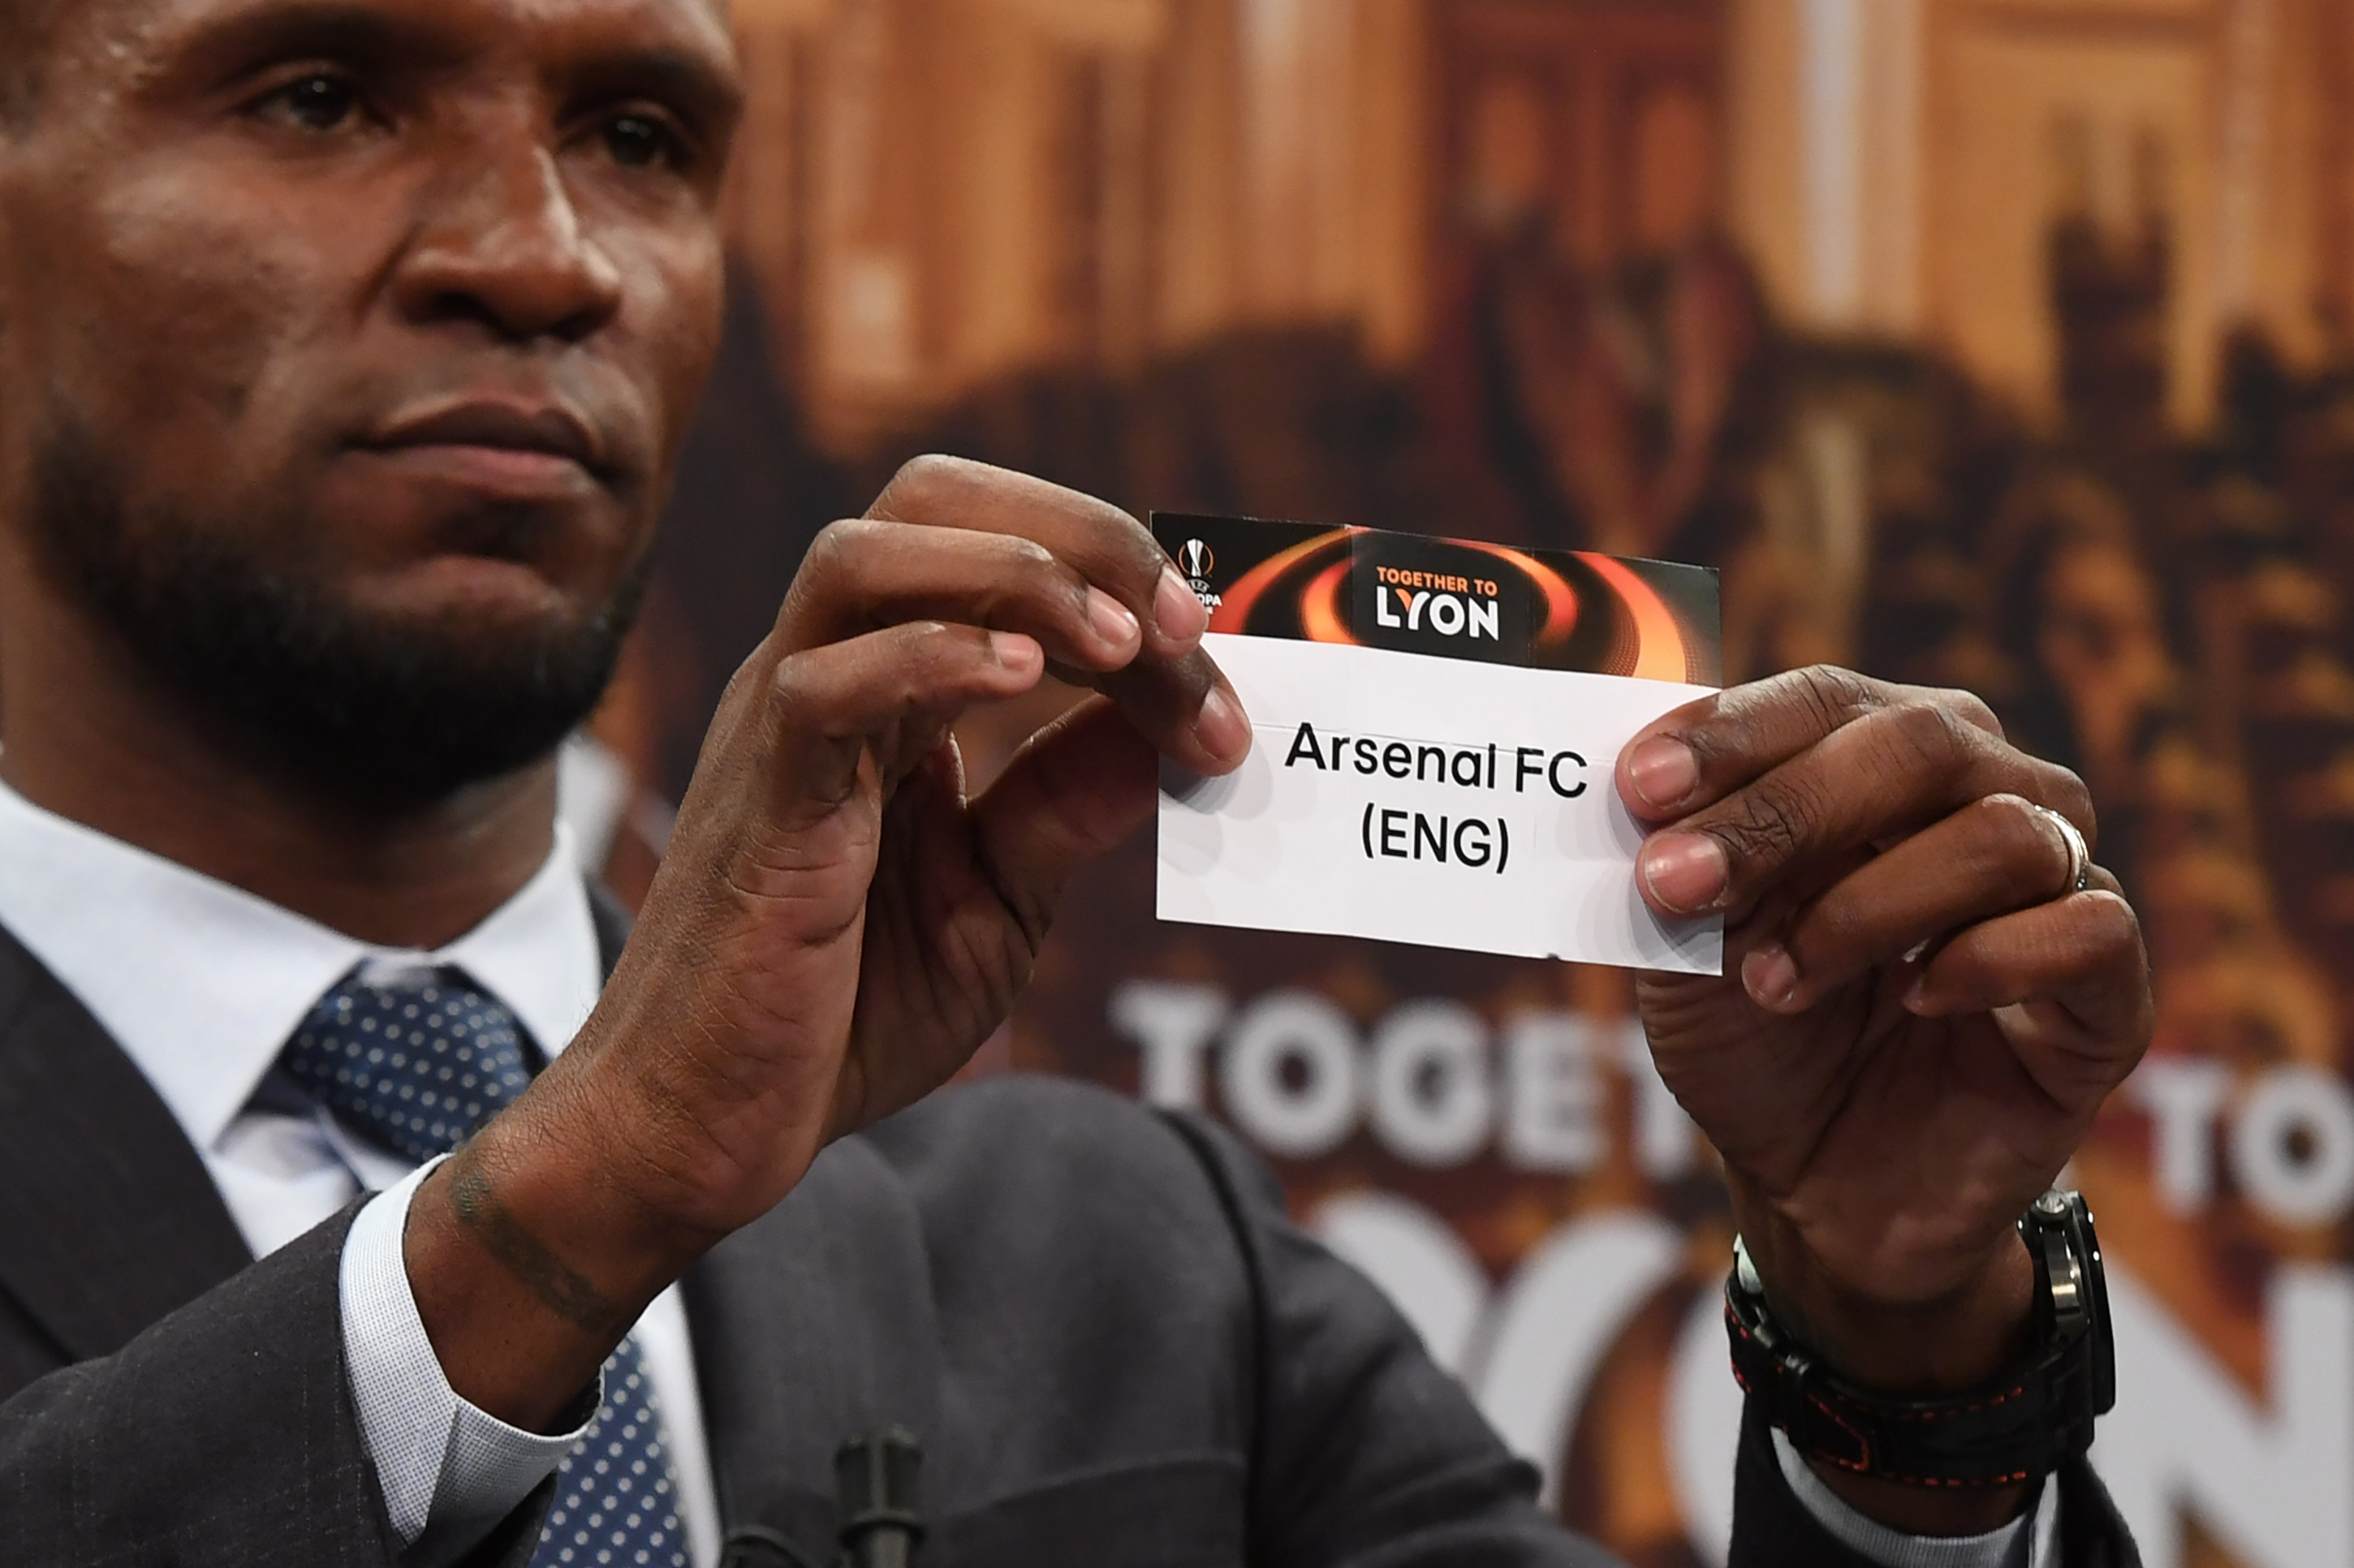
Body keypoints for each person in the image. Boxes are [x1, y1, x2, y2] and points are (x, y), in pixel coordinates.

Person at [0, 1, 2153, 1565]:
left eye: (644, 132)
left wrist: (1905, 1358)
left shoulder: (1137, 1272)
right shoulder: (652, 1167)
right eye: (319, 93)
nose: (543, 250)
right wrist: (573, 1195)